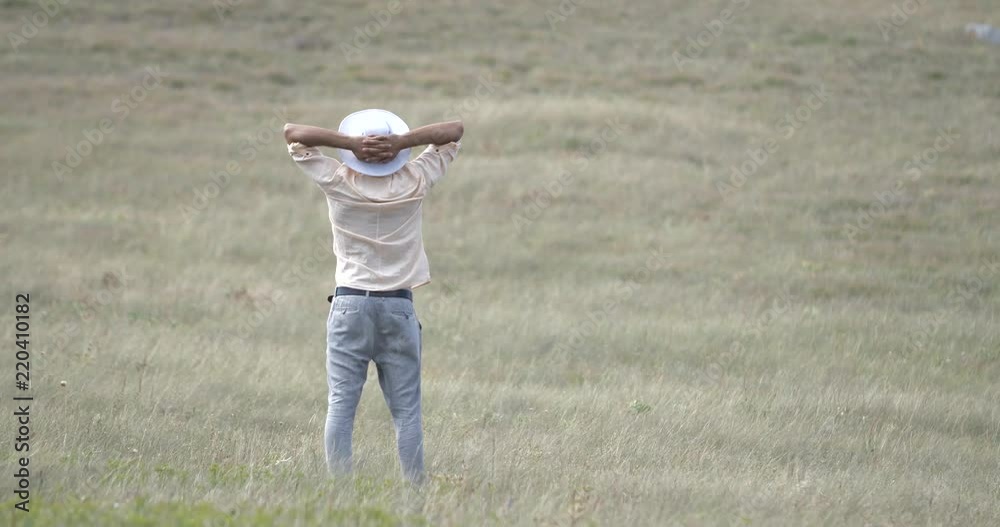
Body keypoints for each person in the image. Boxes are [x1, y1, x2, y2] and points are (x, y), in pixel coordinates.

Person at [283, 109, 464, 483]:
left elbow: (293, 133)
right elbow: (454, 131)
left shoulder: (338, 179)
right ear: (396, 152)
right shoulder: (416, 178)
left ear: (356, 153)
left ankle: (340, 492)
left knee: (341, 407)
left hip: (349, 303)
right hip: (398, 305)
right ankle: (415, 494)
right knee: (407, 413)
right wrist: (403, 142)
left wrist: (349, 143)